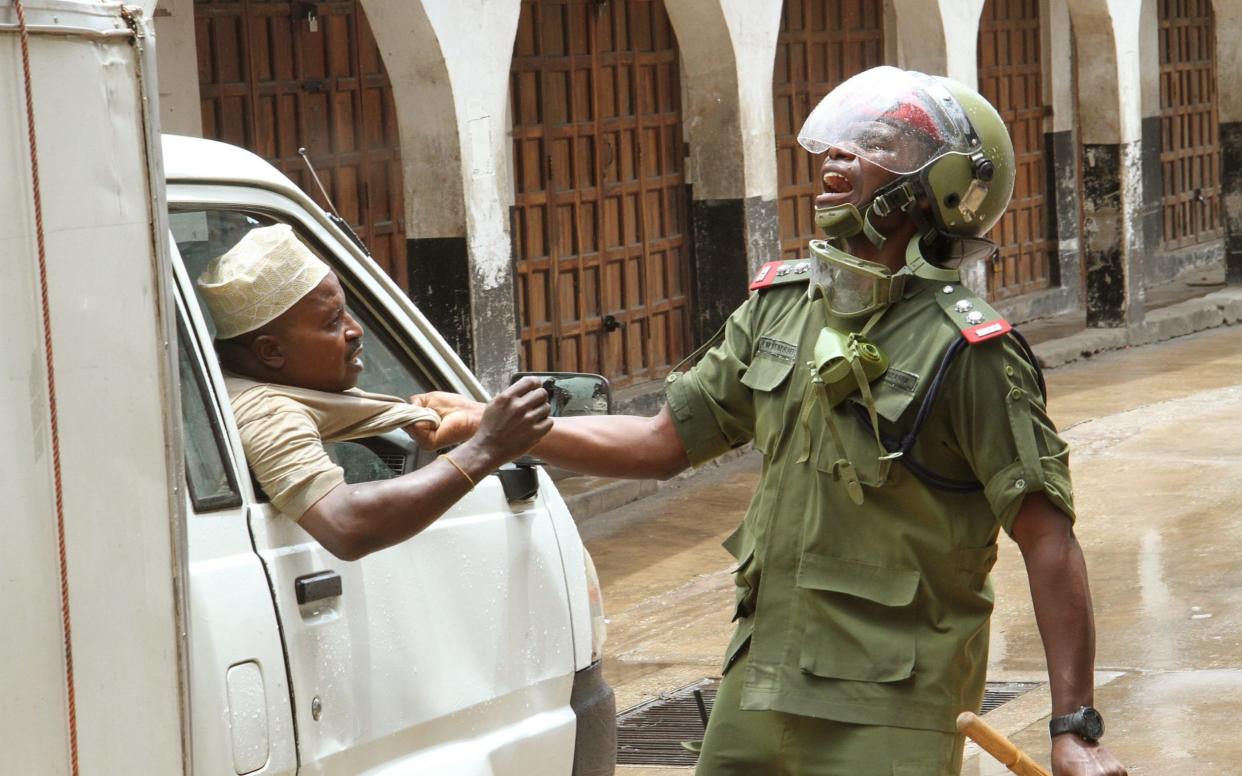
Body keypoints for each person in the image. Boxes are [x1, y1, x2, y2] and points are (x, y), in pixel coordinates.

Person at [416, 68, 1126, 775]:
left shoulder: (969, 353)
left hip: (894, 708)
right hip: (759, 684)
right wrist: (499, 427)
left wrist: (1074, 728)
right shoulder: (778, 307)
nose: (836, 157)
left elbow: (1047, 539)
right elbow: (663, 441)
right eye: (840, 142)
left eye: (874, 143)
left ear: (936, 188)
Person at [197, 223, 553, 561]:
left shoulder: (233, 385)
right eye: (333, 321)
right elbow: (345, 524)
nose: (355, 330)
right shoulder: (268, 412)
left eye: (347, 312)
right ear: (271, 351)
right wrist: (486, 449)